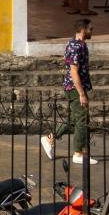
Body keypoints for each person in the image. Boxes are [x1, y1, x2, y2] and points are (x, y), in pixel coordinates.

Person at [41, 19, 94, 168]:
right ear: (83, 29)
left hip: (76, 87)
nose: (92, 31)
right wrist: (81, 94)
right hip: (75, 88)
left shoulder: (79, 44)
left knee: (76, 118)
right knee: (82, 119)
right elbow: (74, 72)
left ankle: (50, 138)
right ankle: (78, 154)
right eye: (90, 28)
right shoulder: (75, 47)